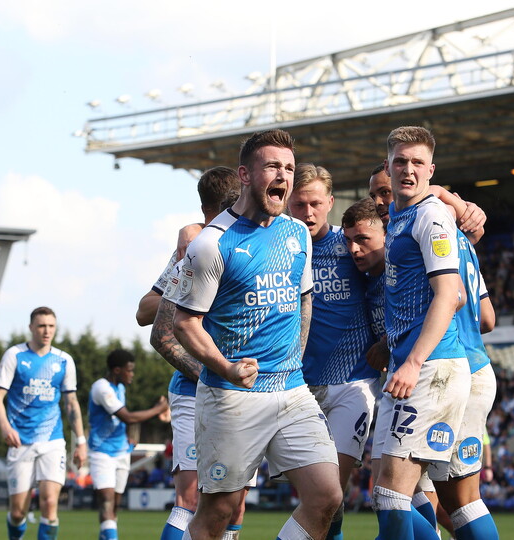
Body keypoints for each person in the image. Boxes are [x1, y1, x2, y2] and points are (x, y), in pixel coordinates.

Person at [170, 129, 341, 540]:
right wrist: (226, 368)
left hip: (292, 390)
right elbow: (183, 323)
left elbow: (303, 303)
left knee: (327, 496)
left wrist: (295, 359)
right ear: (246, 175)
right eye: (272, 166)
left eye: (289, 168)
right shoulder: (212, 244)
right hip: (231, 398)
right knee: (218, 513)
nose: (283, 175)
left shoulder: (297, 234)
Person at [373, 126, 470, 540]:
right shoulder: (400, 216)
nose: (408, 170)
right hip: (409, 366)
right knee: (388, 492)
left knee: (393, 496)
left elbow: (449, 294)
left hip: (430, 369)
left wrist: (413, 362)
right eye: (400, 162)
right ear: (388, 167)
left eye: (417, 163)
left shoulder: (430, 216)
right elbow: (460, 294)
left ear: (431, 169)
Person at [145, 167, 249, 540]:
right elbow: (151, 319)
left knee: (235, 502)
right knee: (190, 498)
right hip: (194, 388)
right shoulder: (196, 248)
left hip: (243, 391)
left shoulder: (249, 246)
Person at [288, 163, 378, 540]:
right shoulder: (281, 249)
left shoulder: (351, 246)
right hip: (298, 388)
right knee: (323, 498)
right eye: (299, 204)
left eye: (315, 204)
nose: (307, 213)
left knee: (331, 489)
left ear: (329, 202)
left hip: (352, 384)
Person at [0, 306, 87, 540]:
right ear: (31, 328)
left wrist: (81, 441)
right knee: (18, 512)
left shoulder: (64, 360)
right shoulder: (14, 355)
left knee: (50, 502)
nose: (47, 331)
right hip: (20, 442)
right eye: (42, 326)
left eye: (51, 326)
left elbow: (71, 403)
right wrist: (5, 427)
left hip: (52, 440)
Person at [431, 224, 501, 539]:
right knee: (435, 496)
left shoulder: (425, 235)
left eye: (384, 192)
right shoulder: (463, 244)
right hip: (473, 367)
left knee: (460, 499)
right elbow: (487, 319)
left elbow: (452, 298)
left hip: (457, 371)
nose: (380, 202)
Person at [88, 348, 170, 540]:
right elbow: (128, 417)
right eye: (129, 370)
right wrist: (159, 408)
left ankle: (106, 535)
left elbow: (118, 419)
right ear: (117, 370)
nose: (132, 374)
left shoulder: (121, 388)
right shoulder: (102, 388)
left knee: (115, 504)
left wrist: (125, 437)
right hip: (101, 452)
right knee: (107, 501)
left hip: (121, 451)